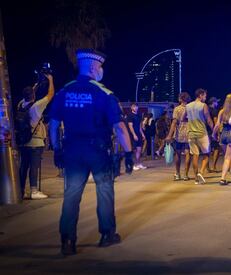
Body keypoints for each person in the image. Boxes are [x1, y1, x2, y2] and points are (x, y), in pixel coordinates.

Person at [48, 49, 134, 256]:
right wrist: (129, 153)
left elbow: (53, 124)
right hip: (98, 150)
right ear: (95, 68)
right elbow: (119, 128)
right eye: (100, 67)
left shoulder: (64, 92)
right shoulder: (104, 93)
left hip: (72, 150)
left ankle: (67, 240)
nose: (101, 70)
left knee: (71, 195)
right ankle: (106, 235)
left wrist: (57, 149)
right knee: (104, 190)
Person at [18, 74, 54, 199]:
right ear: (33, 95)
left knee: (23, 166)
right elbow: (50, 95)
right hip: (35, 141)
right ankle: (34, 191)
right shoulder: (36, 107)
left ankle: (21, 190)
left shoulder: (21, 104)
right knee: (34, 166)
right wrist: (50, 80)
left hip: (23, 141)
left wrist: (37, 84)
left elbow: (30, 94)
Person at [183, 88, 214, 184]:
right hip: (202, 133)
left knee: (195, 155)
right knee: (206, 154)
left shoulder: (188, 106)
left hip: (191, 134)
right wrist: (214, 131)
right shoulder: (203, 106)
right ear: (200, 95)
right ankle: (201, 172)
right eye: (204, 95)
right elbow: (209, 120)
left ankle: (196, 179)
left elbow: (182, 118)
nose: (205, 97)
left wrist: (190, 120)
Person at [212, 93, 231, 185]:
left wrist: (214, 134)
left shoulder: (222, 111)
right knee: (228, 157)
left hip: (224, 134)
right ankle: (222, 178)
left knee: (229, 156)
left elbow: (217, 125)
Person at [166, 92, 192, 181]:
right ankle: (186, 175)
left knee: (178, 154)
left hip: (179, 135)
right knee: (188, 154)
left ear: (180, 99)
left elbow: (174, 122)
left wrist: (169, 135)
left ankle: (177, 174)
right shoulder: (191, 108)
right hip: (189, 134)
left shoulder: (177, 109)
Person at [127, 103, 147, 170]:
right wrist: (134, 134)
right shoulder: (130, 116)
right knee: (135, 150)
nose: (136, 108)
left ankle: (138, 164)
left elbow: (139, 127)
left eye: (136, 106)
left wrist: (142, 134)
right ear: (131, 107)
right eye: (134, 106)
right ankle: (135, 165)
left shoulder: (138, 115)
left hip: (139, 134)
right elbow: (130, 126)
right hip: (133, 134)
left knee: (139, 149)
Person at [207, 96, 221, 172]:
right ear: (213, 102)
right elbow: (216, 123)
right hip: (212, 131)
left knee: (207, 150)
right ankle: (214, 166)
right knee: (217, 148)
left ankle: (207, 167)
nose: (217, 103)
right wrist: (217, 134)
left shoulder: (205, 109)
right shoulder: (214, 111)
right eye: (216, 102)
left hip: (206, 131)